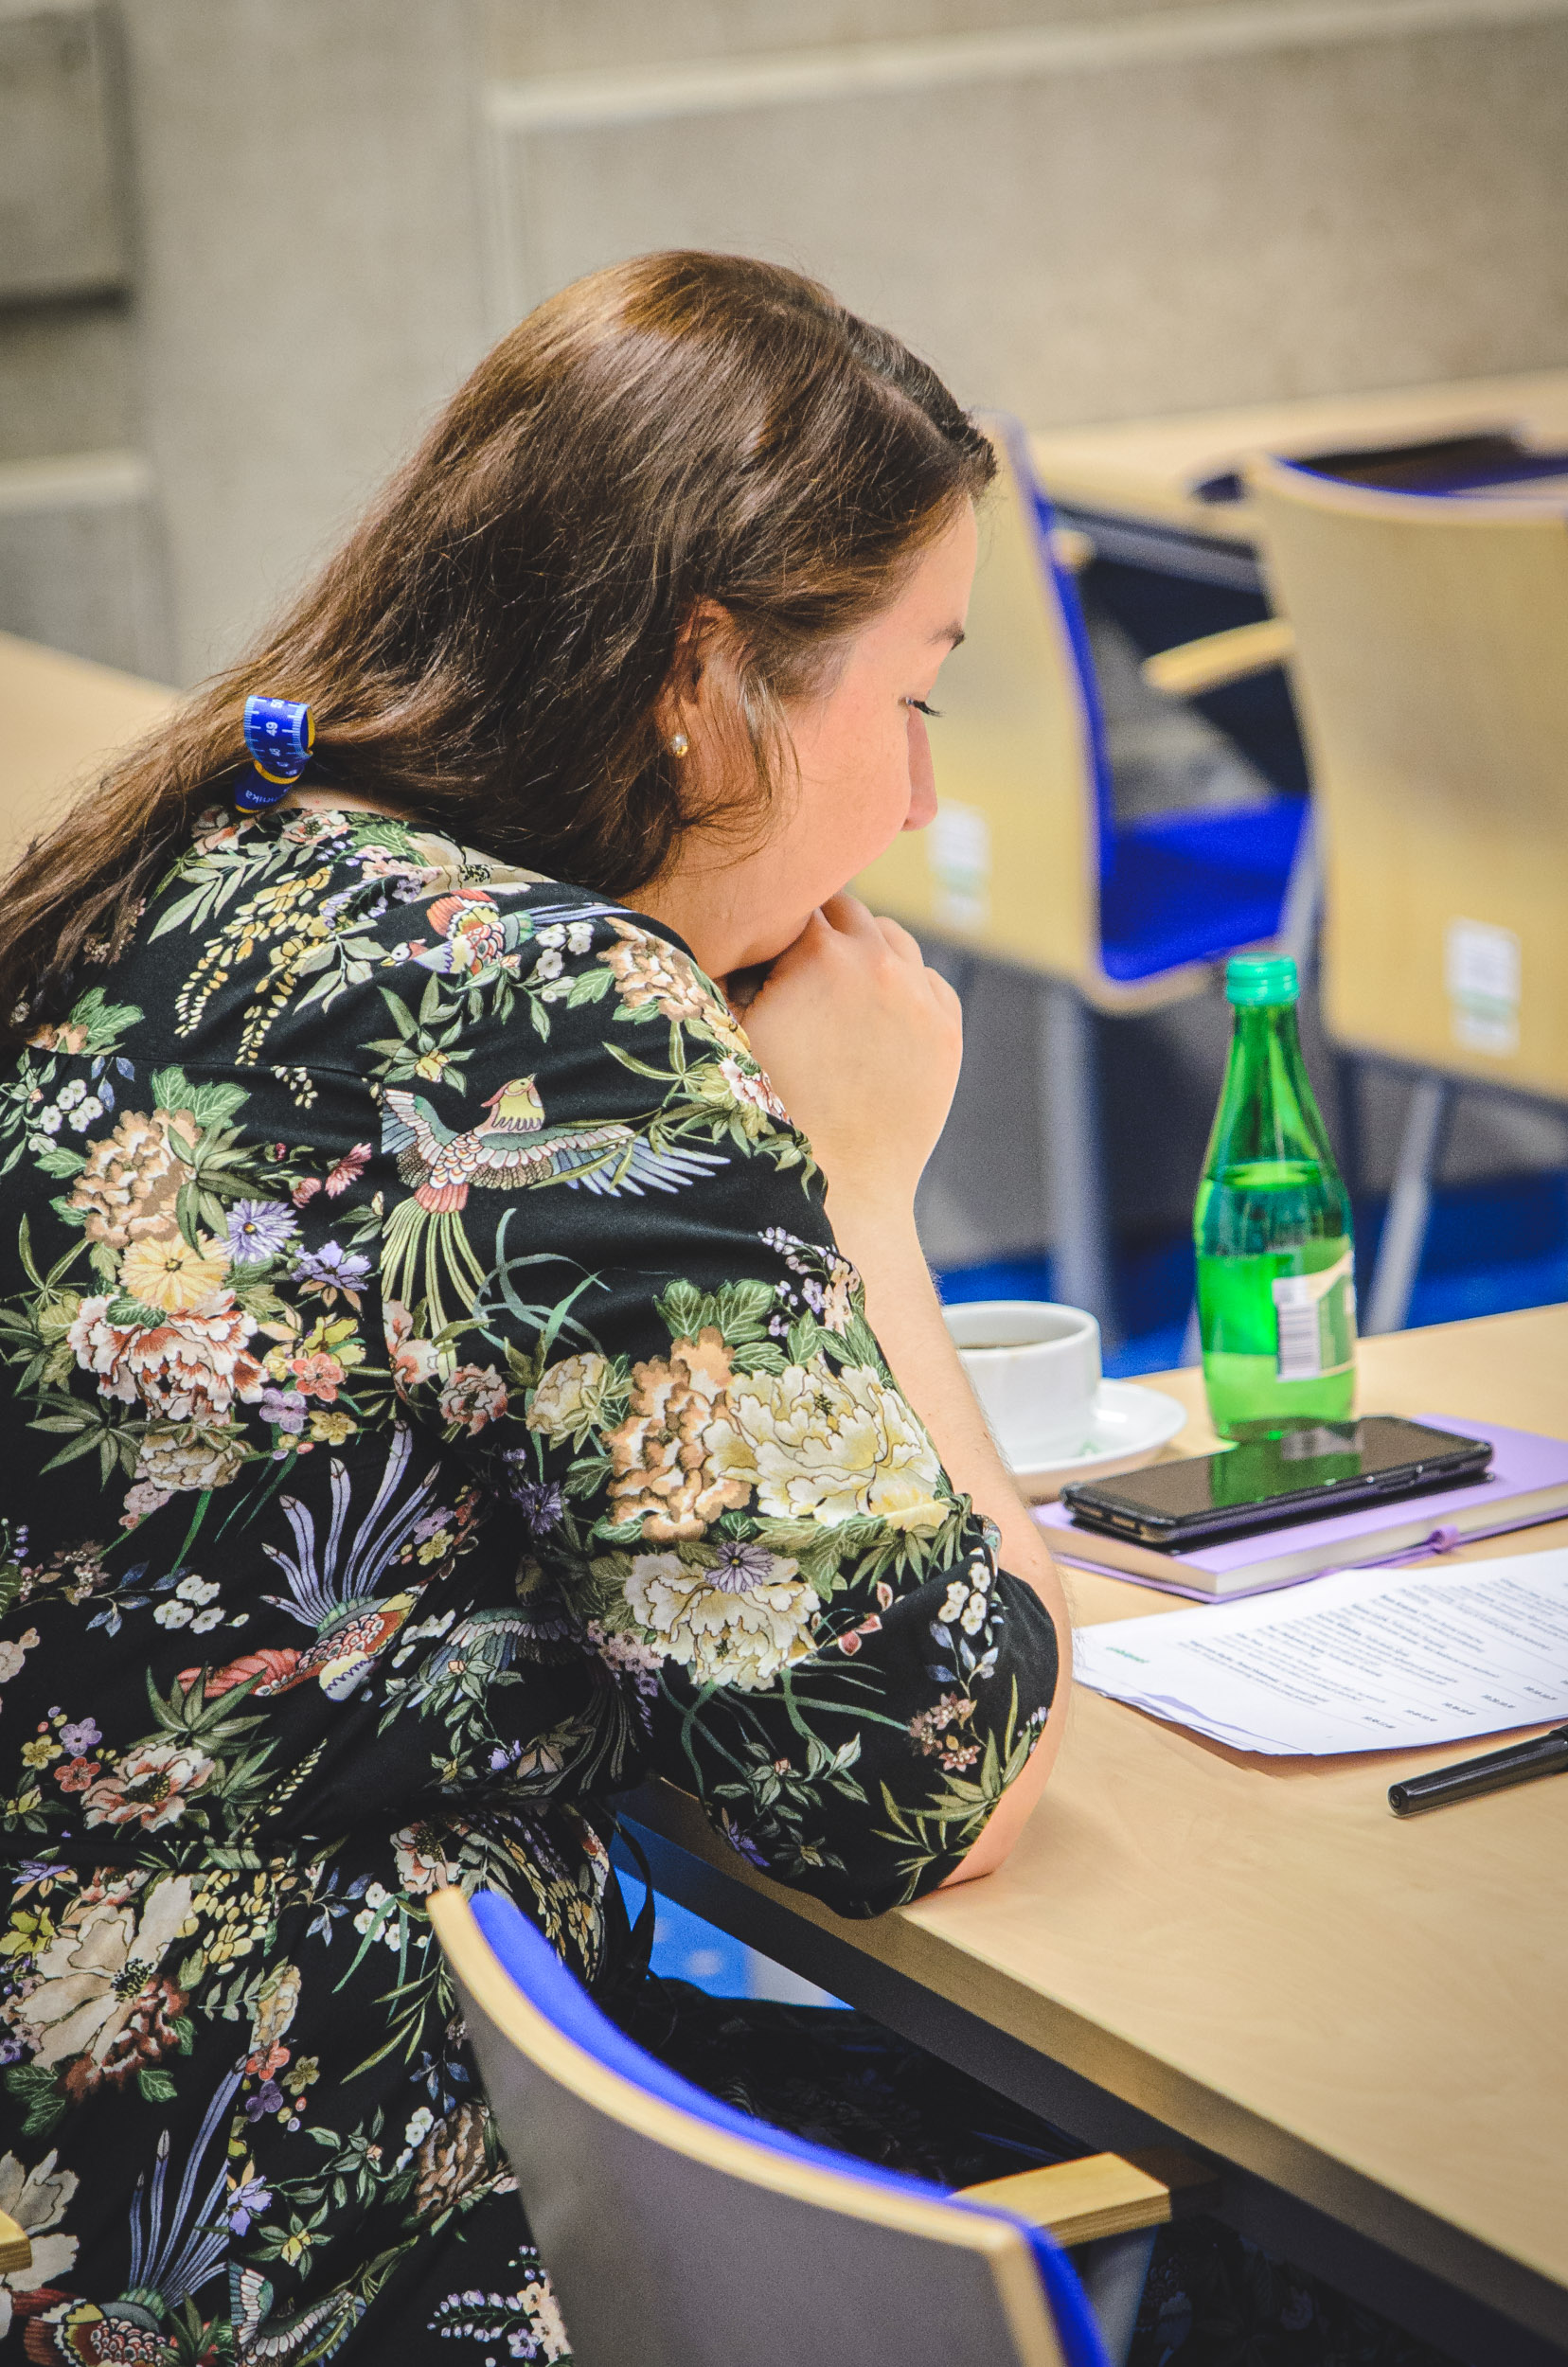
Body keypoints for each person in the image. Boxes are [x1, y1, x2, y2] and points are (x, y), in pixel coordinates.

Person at [0, 252, 1069, 2361]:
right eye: (914, 698)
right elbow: (914, 1783)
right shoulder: (559, 1011)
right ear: (705, 674)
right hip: (275, 2202)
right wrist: (861, 1184)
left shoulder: (199, 847)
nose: (923, 800)